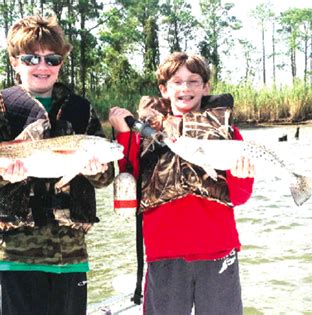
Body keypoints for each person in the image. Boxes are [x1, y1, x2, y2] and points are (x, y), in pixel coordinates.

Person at [0, 14, 114, 315]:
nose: (42, 66)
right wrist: (1, 171)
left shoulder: (81, 109)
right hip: (13, 255)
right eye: (31, 58)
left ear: (61, 63)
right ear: (15, 62)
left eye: (52, 59)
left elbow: (105, 176)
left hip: (70, 257)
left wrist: (98, 170)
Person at [109, 52, 255, 314]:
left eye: (193, 81)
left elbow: (241, 196)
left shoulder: (229, 133)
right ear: (164, 89)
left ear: (206, 87)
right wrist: (122, 131)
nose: (185, 88)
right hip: (163, 252)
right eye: (177, 81)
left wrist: (241, 175)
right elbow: (127, 176)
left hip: (218, 249)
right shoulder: (143, 135)